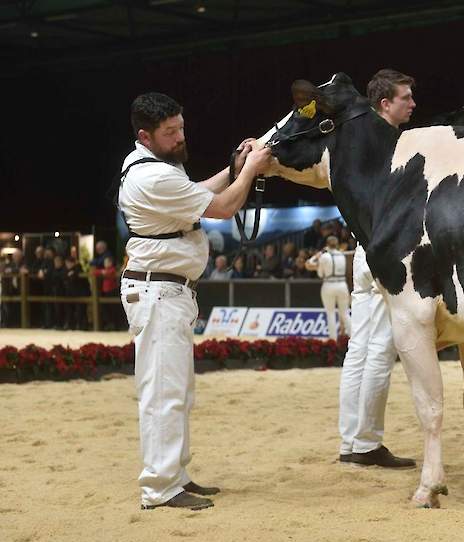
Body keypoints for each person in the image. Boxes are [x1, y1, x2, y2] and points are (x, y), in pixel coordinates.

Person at [119, 92, 272, 510]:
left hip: (167, 290)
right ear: (145, 135)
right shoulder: (153, 176)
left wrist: (232, 168)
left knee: (177, 391)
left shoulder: (156, 166)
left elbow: (197, 192)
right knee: (163, 392)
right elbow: (221, 207)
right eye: (170, 133)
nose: (180, 137)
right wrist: (251, 171)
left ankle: (175, 476)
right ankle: (159, 487)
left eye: (181, 127)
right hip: (157, 291)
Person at [337, 69, 417, 468]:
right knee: (381, 350)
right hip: (385, 247)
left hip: (361, 246)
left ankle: (350, 441)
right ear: (385, 104)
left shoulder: (354, 137)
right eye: (405, 98)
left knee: (358, 349)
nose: (412, 104)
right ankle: (367, 443)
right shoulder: (392, 141)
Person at [306, 236, 351, 340]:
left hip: (329, 285)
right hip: (342, 285)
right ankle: (354, 337)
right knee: (345, 313)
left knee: (330, 313)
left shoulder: (324, 257)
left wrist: (316, 256)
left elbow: (320, 274)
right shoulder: (341, 255)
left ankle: (333, 340)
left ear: (327, 244)